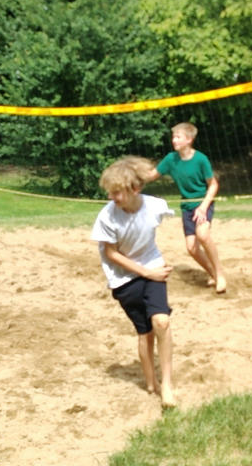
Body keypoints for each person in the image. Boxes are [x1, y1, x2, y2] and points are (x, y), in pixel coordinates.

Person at [91, 156, 177, 409]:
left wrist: (151, 271)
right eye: (110, 192)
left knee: (161, 321)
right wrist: (145, 273)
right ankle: (151, 383)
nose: (112, 197)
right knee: (145, 333)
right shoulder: (107, 217)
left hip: (153, 267)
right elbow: (111, 253)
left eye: (117, 192)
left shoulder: (156, 207)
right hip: (122, 278)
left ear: (135, 189)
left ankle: (167, 386)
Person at [146, 122, 226, 294]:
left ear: (189, 140)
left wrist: (203, 207)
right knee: (191, 248)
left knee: (203, 235)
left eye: (178, 137)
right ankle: (212, 273)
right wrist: (132, 175)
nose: (174, 140)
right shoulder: (170, 159)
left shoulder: (200, 159)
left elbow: (213, 185)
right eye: (173, 136)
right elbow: (152, 175)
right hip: (187, 206)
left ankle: (220, 275)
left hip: (203, 202)